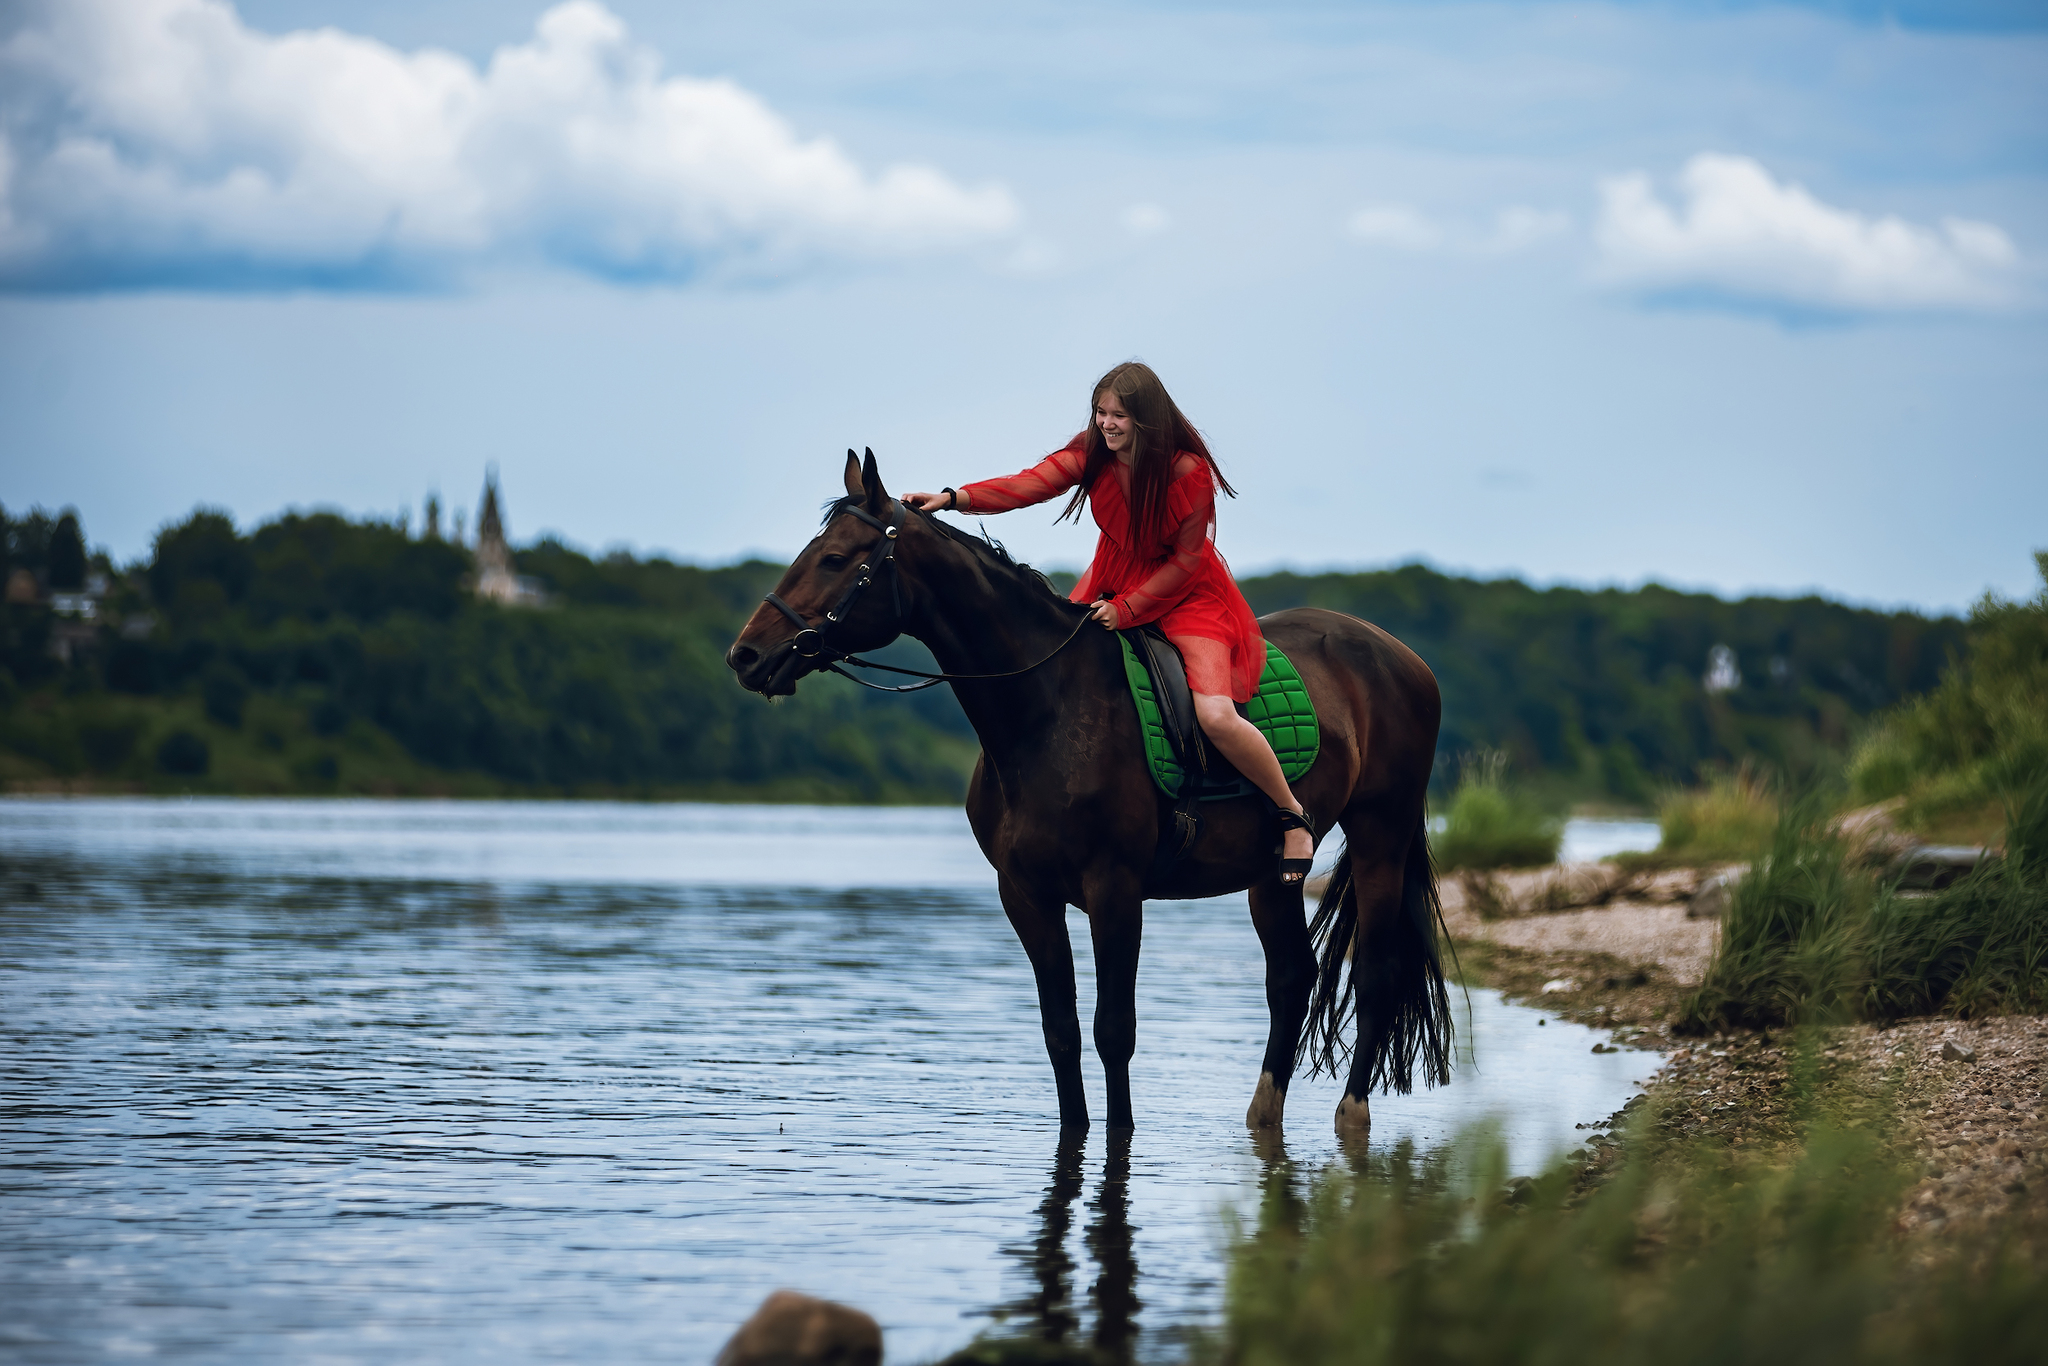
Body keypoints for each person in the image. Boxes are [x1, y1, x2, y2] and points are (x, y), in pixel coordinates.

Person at [903, 361, 1315, 883]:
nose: (1106, 424)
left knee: (1215, 716)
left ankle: (1291, 815)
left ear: (1146, 418)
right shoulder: (1092, 453)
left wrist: (1127, 610)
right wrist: (954, 498)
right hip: (1111, 576)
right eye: (1100, 413)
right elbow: (1030, 484)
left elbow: (1187, 562)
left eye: (1118, 415)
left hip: (1185, 592)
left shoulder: (1189, 472)